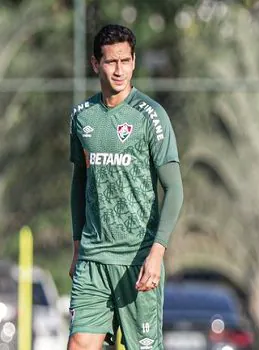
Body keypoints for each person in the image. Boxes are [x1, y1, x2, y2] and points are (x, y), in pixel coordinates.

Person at [67, 24, 183, 350]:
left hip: (138, 262)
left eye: (125, 61)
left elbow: (174, 189)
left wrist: (157, 252)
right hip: (93, 261)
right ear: (95, 64)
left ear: (134, 62)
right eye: (111, 62)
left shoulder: (151, 116)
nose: (119, 70)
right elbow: (80, 182)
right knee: (79, 344)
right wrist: (78, 244)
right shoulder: (82, 117)